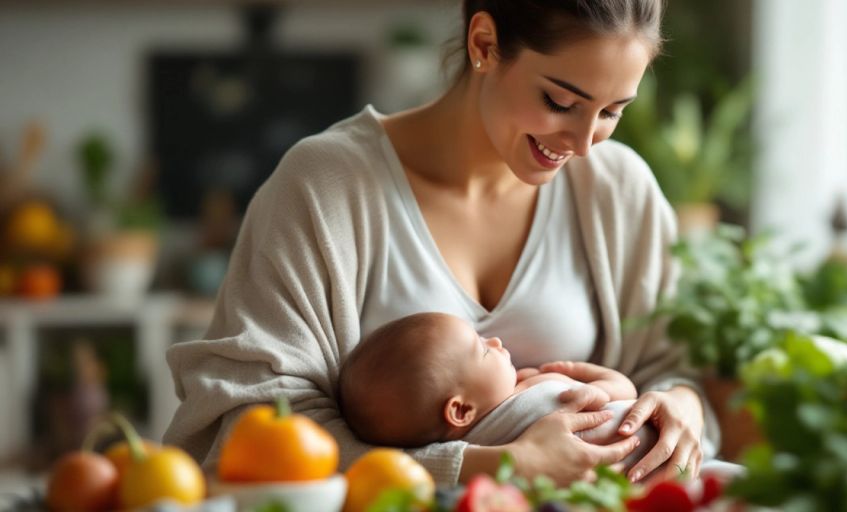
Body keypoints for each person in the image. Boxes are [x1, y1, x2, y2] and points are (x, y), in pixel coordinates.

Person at [164, 0, 720, 488]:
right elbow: (253, 422)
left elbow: (676, 372)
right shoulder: (324, 186)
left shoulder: (617, 189)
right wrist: (489, 466)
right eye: (559, 101)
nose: (582, 144)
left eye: (612, 112)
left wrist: (680, 411)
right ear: (485, 44)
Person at [339, 312, 660, 470]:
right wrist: (598, 381)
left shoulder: (477, 449)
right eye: (482, 351)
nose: (495, 341)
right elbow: (625, 393)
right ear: (461, 410)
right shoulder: (538, 392)